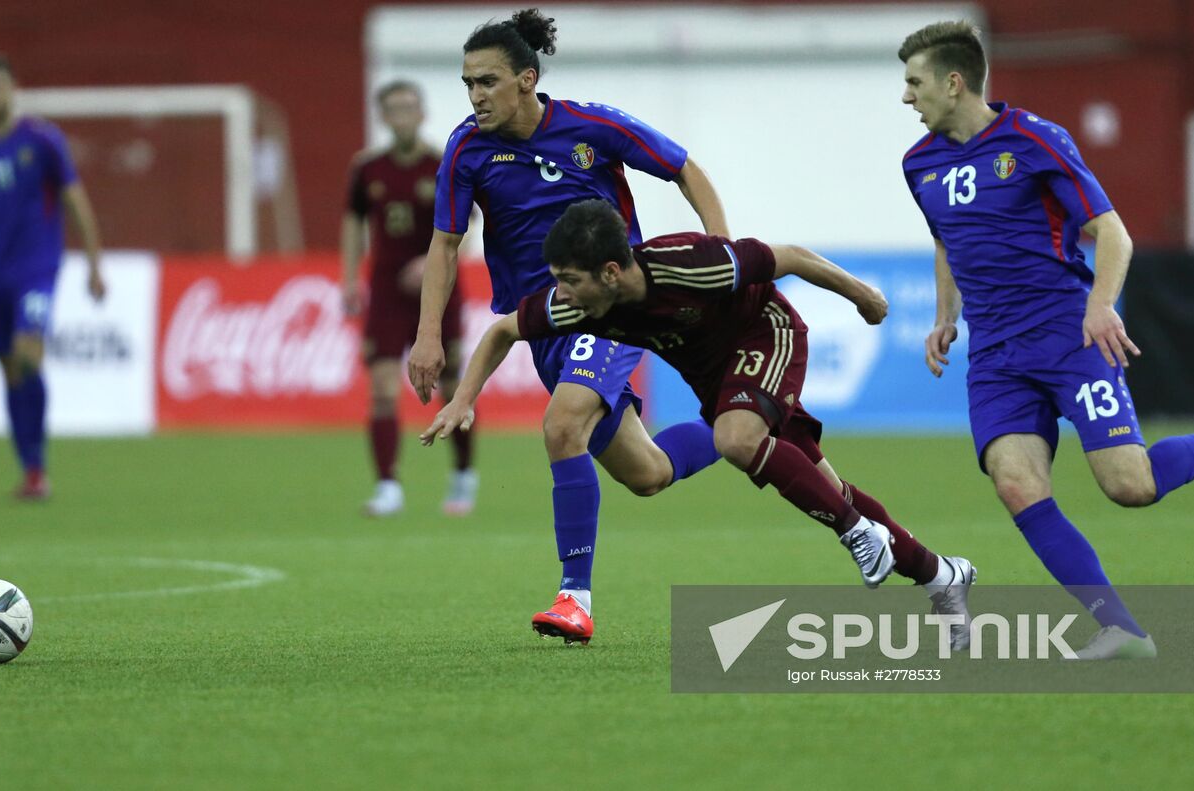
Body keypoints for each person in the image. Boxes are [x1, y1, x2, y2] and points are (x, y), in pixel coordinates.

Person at [899, 22, 1194, 659]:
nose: (906, 97)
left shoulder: (1034, 139)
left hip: (1065, 335)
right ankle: (1120, 627)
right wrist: (946, 316)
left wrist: (1100, 306)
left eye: (914, 83)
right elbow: (947, 239)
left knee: (1128, 486)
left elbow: (1112, 232)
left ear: (953, 82)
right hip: (996, 355)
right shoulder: (917, 163)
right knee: (1016, 483)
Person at [422, 199, 979, 648]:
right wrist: (463, 400)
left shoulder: (691, 262)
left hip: (767, 334)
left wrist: (862, 295)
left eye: (569, 279)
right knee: (822, 484)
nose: (560, 293)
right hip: (717, 379)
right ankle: (940, 575)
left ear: (611, 272)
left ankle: (859, 534)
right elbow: (501, 332)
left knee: (735, 438)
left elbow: (790, 257)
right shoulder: (579, 304)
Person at [407, 8, 730, 640]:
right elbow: (445, 244)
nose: (476, 96)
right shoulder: (467, 148)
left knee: (560, 428)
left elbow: (685, 167)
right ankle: (742, 424)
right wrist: (426, 336)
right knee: (648, 474)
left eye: (488, 82)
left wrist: (720, 247)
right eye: (467, 83)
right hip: (543, 323)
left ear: (527, 79)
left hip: (613, 308)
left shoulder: (591, 125)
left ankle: (573, 598)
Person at [0, 55, 105, 500]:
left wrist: (95, 262)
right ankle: (29, 467)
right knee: (7, 369)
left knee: (26, 356)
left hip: (36, 267)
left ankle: (38, 466)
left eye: (1, 84)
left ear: (14, 88)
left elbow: (75, 199)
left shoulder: (42, 141)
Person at [342, 80, 476, 517]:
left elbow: (469, 225)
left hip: (438, 293)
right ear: (383, 116)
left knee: (452, 385)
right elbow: (352, 221)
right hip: (385, 293)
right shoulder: (367, 169)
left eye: (409, 108)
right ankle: (387, 487)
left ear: (422, 114)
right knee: (382, 390)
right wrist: (349, 280)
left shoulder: (442, 165)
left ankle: (462, 473)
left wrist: (432, 264)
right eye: (393, 109)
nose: (402, 116)